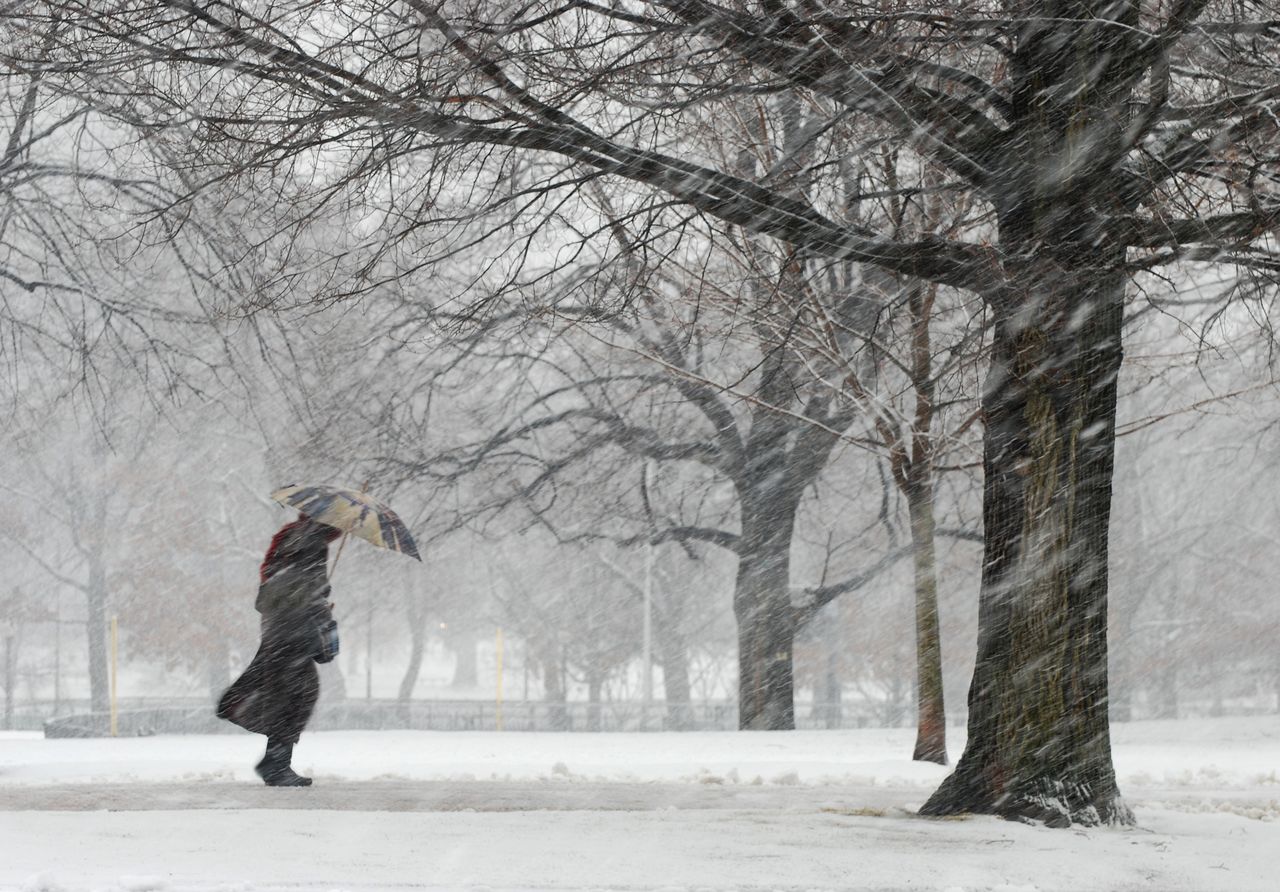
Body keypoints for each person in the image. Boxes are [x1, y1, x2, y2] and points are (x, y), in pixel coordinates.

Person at [217, 514, 342, 786]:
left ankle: (274, 761)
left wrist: (316, 598)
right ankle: (275, 763)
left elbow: (283, 583)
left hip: (279, 628)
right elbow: (304, 585)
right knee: (296, 697)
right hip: (292, 630)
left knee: (287, 695)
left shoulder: (294, 536)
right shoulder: (313, 540)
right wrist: (319, 604)